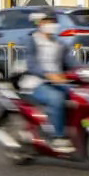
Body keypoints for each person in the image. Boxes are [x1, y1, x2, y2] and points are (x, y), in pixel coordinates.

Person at [27, 12, 75, 154]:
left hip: (59, 81)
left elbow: (72, 62)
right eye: (47, 22)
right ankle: (57, 137)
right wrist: (48, 75)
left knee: (80, 96)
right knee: (56, 98)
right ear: (40, 24)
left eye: (53, 22)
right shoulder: (32, 41)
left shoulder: (59, 44)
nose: (51, 25)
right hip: (36, 83)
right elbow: (32, 65)